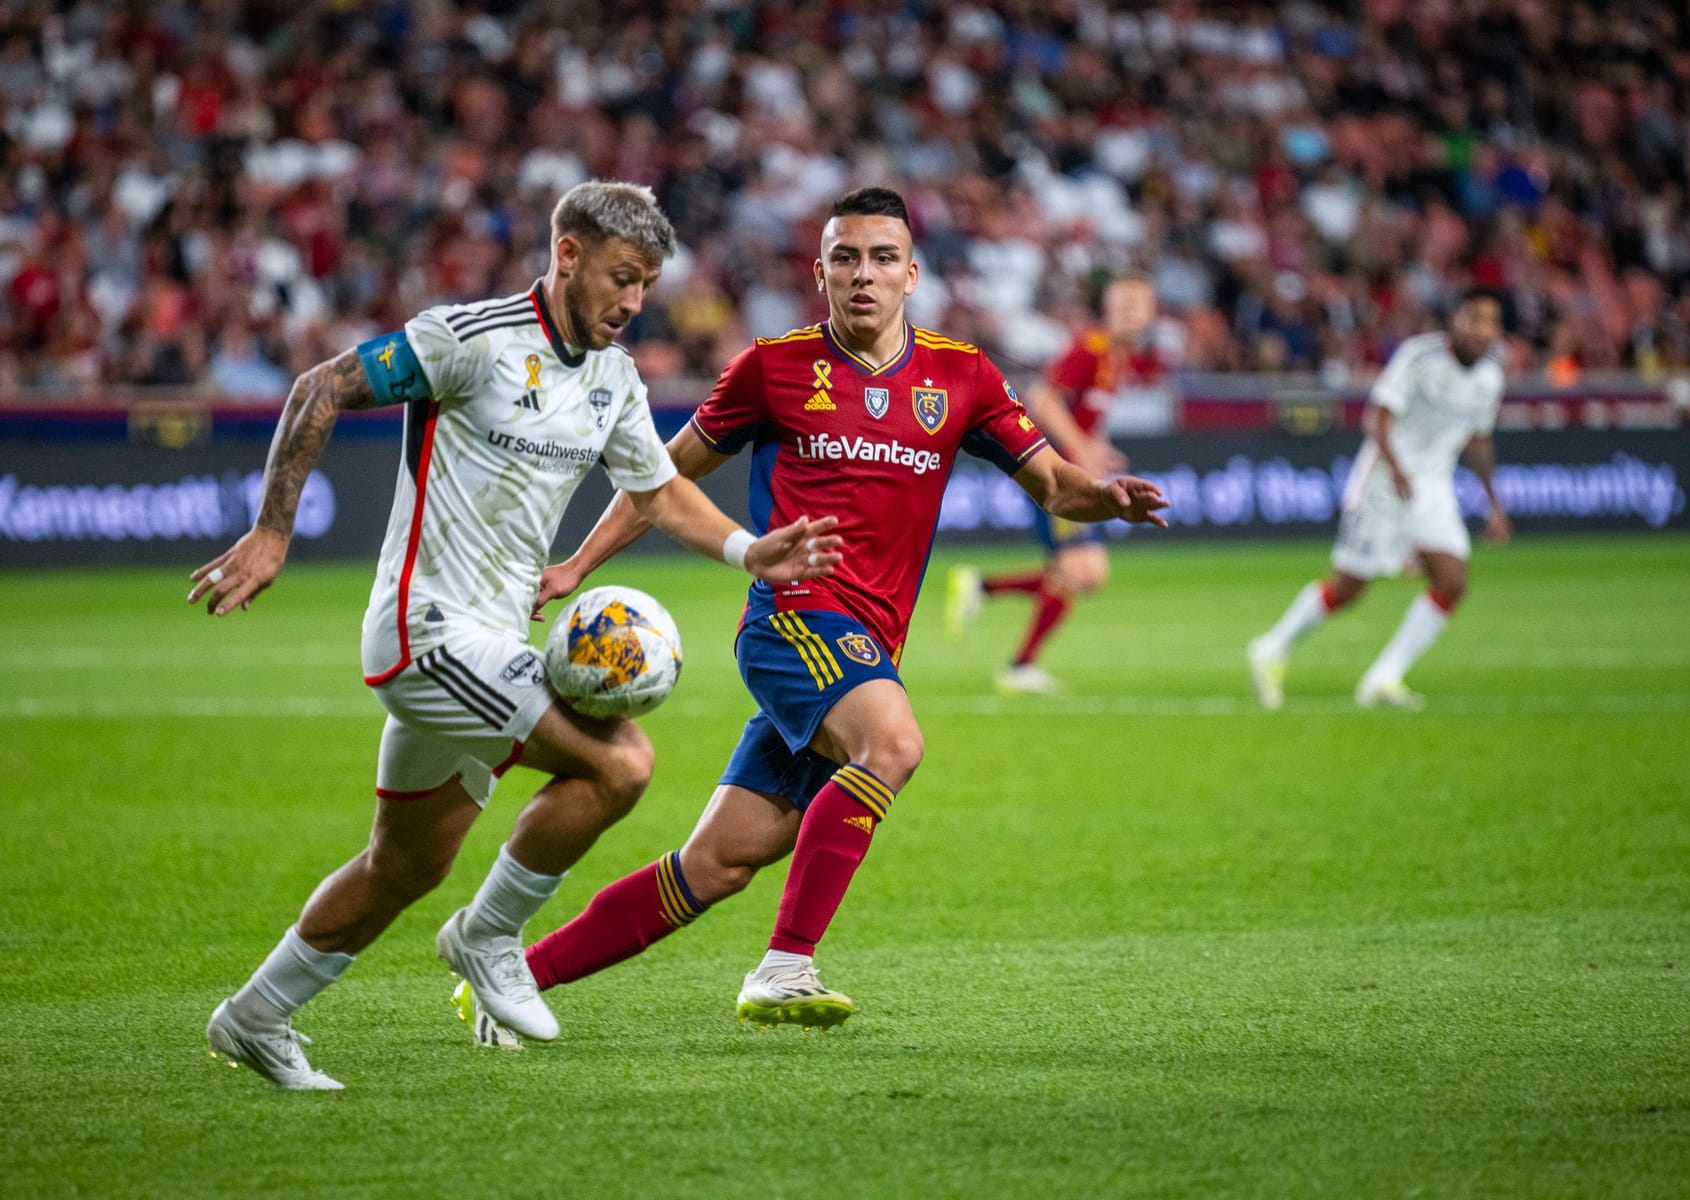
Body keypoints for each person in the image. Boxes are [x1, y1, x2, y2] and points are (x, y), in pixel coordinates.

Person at [469, 187, 1167, 1036]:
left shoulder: (964, 376)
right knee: (894, 744)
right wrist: (578, 562)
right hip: (791, 620)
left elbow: (1057, 484)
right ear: (821, 272)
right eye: (845, 258)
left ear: (911, 274)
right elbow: (661, 475)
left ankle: (506, 978)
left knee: (717, 864)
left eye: (881, 258)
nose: (862, 274)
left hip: (870, 645)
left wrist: (1108, 497)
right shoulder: (774, 366)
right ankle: (786, 964)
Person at [189, 180, 840, 1089]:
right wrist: (273, 530)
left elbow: (655, 491)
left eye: (646, 284)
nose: (632, 302)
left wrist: (745, 550)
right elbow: (320, 388)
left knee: (402, 865)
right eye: (620, 277)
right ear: (566, 253)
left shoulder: (613, 378)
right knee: (621, 764)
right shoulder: (469, 340)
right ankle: (491, 937)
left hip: (492, 641)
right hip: (424, 632)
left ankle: (255, 1016)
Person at [1246, 286, 1511, 711]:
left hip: (1434, 486)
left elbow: (1479, 440)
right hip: (1384, 481)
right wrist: (1398, 469)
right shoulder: (1421, 357)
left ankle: (1384, 677)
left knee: (1452, 580)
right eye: (1474, 318)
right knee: (1349, 588)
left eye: (1492, 322)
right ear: (1456, 320)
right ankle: (1271, 647)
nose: (1483, 330)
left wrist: (1494, 503)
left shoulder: (1491, 376)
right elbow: (1379, 416)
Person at [944, 276, 1166, 694]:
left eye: (1139, 305)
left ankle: (981, 590)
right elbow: (1043, 398)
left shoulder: (1119, 358)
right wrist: (1081, 453)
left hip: (1072, 466)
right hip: (1057, 472)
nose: (1130, 313)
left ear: (1153, 313)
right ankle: (1019, 665)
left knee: (1077, 573)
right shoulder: (1090, 347)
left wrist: (1099, 449)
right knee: (1084, 570)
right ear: (1107, 309)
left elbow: (1082, 414)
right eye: (1123, 305)